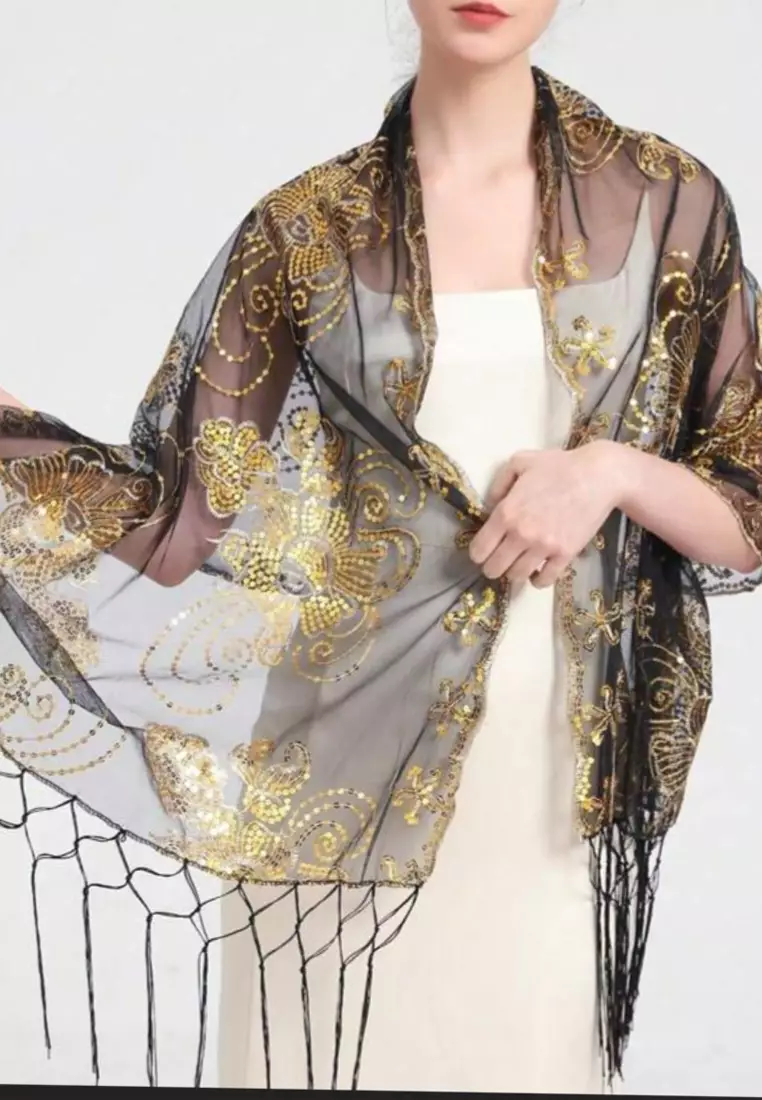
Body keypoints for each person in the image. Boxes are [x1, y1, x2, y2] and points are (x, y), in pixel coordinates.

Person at [0, 0, 760, 1092]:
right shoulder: (305, 231)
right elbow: (175, 521)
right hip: (336, 794)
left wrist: (612, 473)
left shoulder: (667, 207)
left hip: (547, 783)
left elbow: (749, 505)